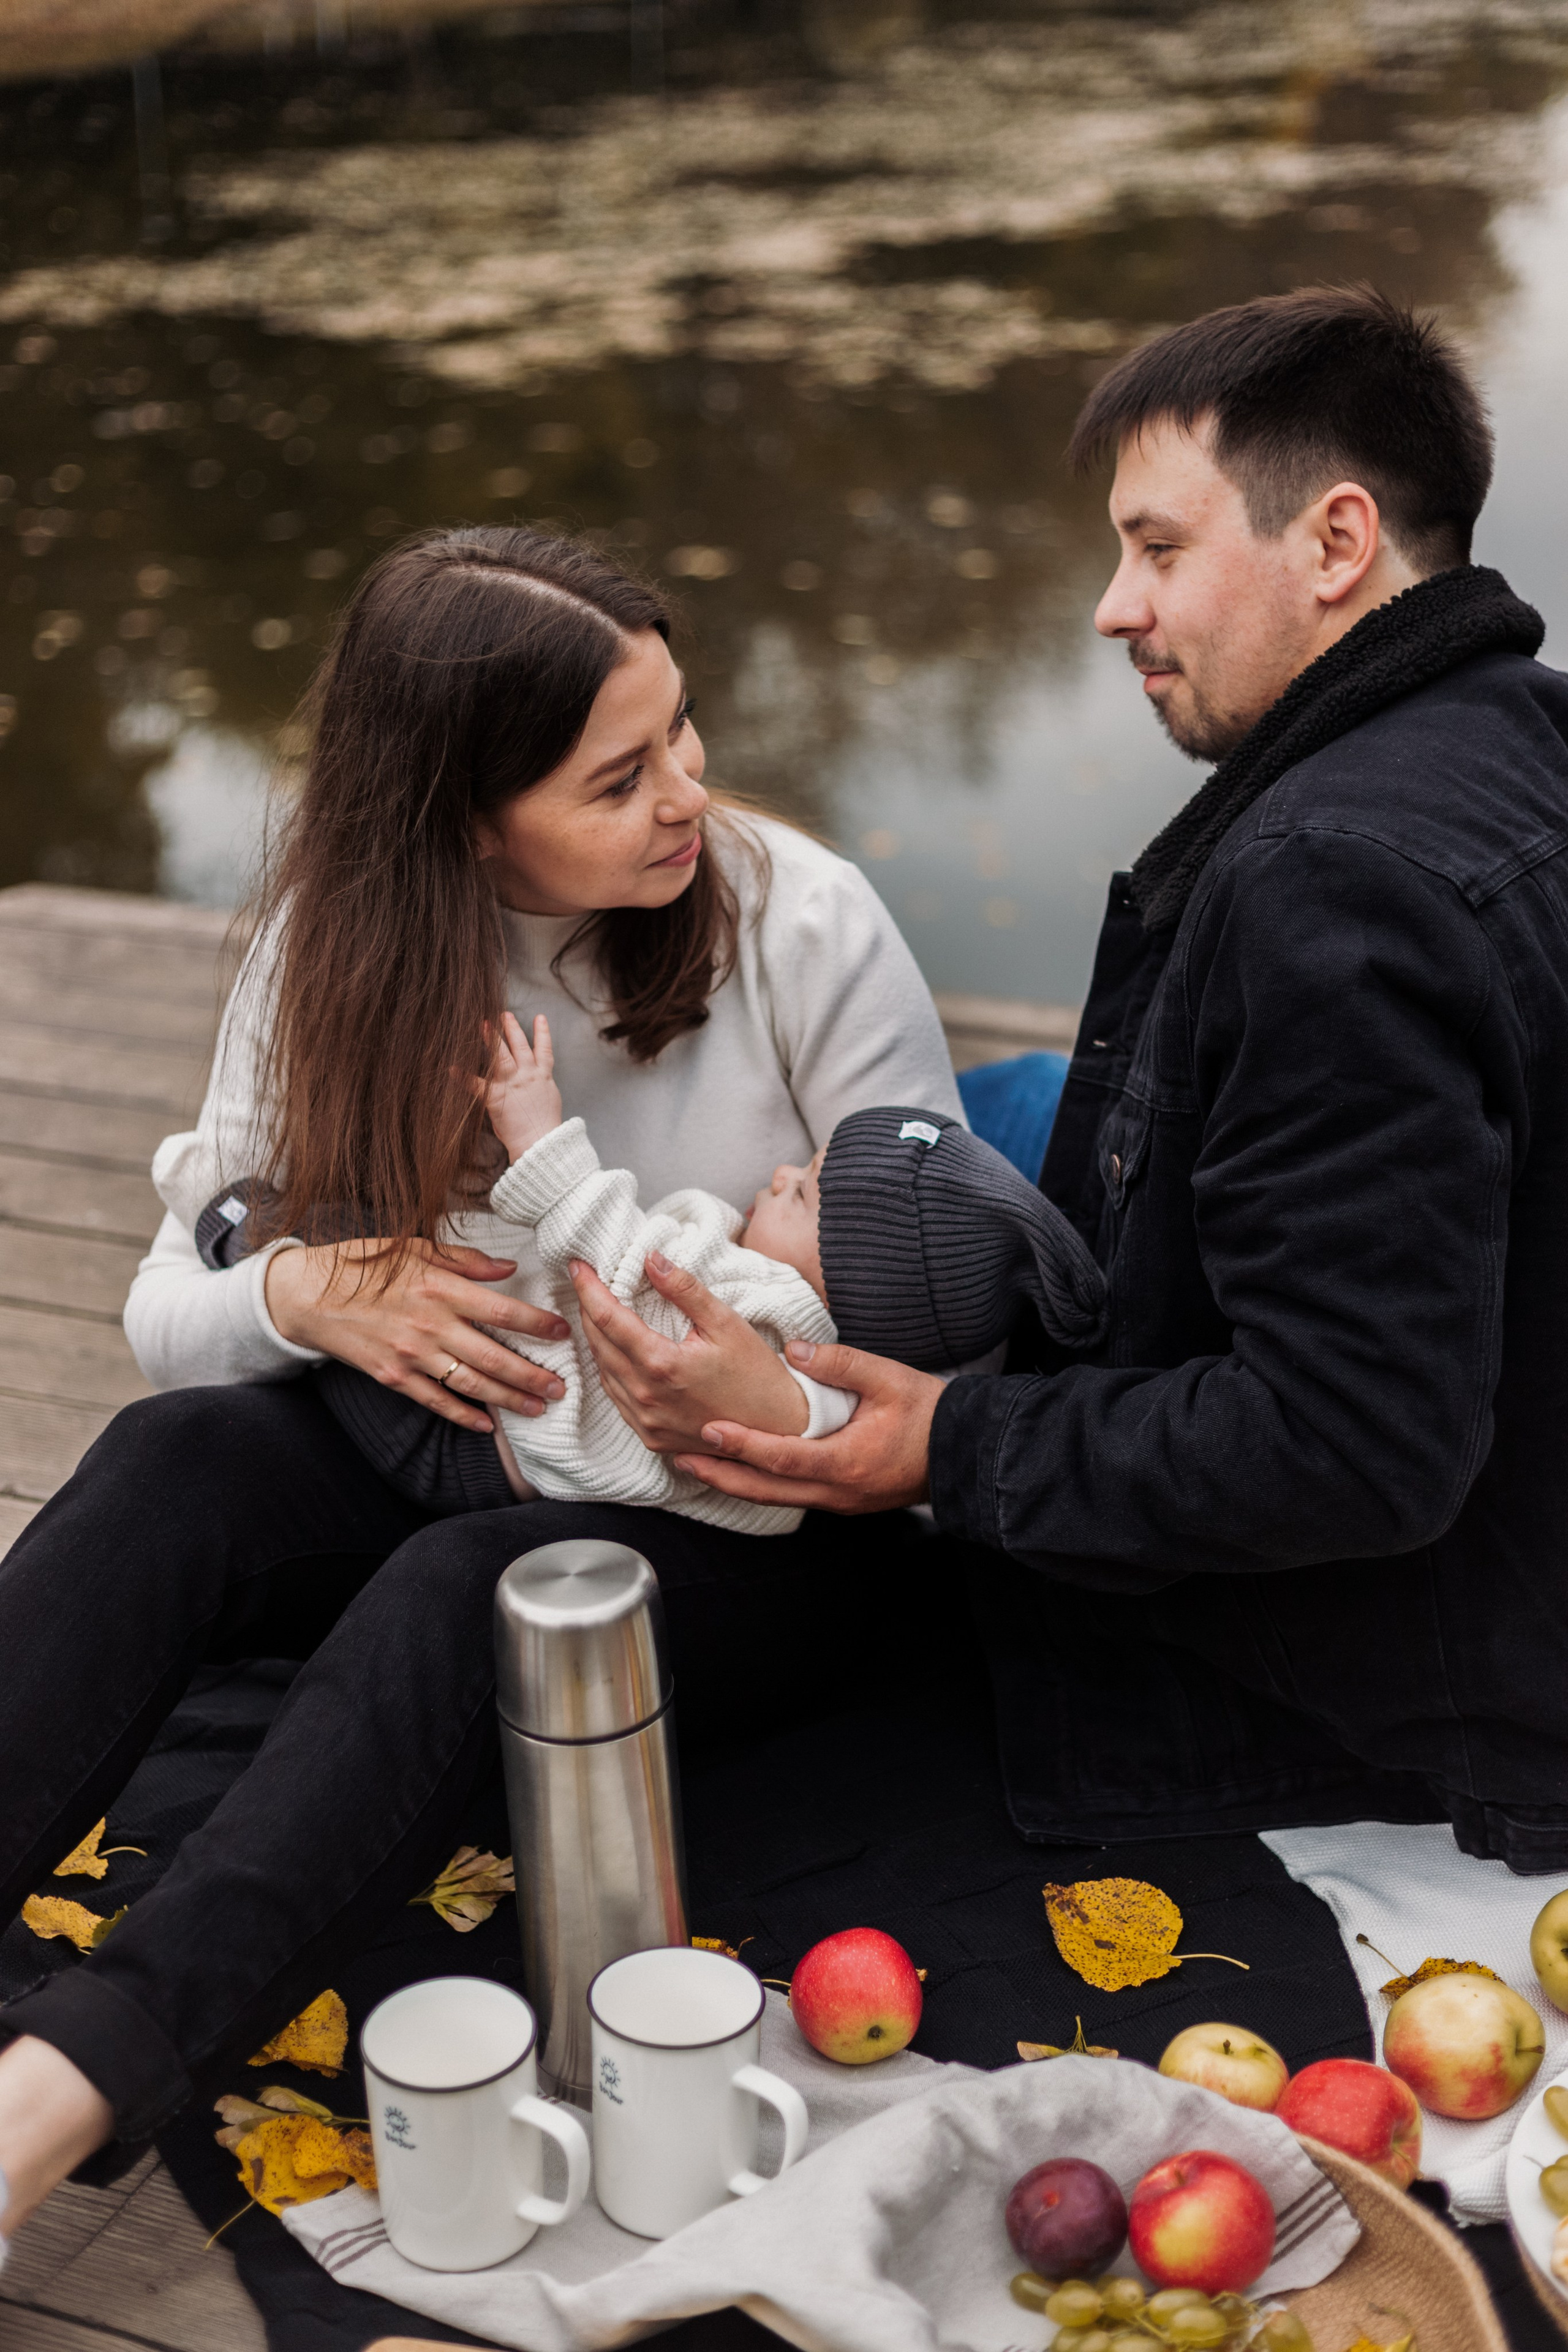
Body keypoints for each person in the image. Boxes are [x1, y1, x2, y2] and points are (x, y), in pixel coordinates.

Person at [0, 526, 963, 2241]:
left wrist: (765, 1384)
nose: (687, 792)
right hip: (466, 1444)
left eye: (680, 729)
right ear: (461, 820)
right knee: (173, 1464)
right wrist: (304, 1290)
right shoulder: (336, 944)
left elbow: (946, 1330)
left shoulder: (805, 924)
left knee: (486, 1587)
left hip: (754, 1529)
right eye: (619, 777)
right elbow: (169, 1303)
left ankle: (51, 2100)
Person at [578, 286, 1568, 1873]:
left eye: (1158, 549)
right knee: (1007, 1115)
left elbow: (1353, 1445)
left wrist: (946, 1446)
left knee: (722, 1769)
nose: (1114, 608)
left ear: (1336, 543)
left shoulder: (1334, 885)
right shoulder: (1524, 739)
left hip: (1378, 1696)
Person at [152, 1008, 1105, 1532]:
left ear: (855, 1281)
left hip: (467, 1443)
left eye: (806, 1194)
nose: (783, 1174)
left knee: (347, 1295)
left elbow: (618, 1260)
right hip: (488, 1391)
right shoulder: (776, 1311)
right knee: (372, 1261)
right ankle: (258, 1233)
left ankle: (230, 1224)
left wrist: (539, 1135)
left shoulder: (771, 1330)